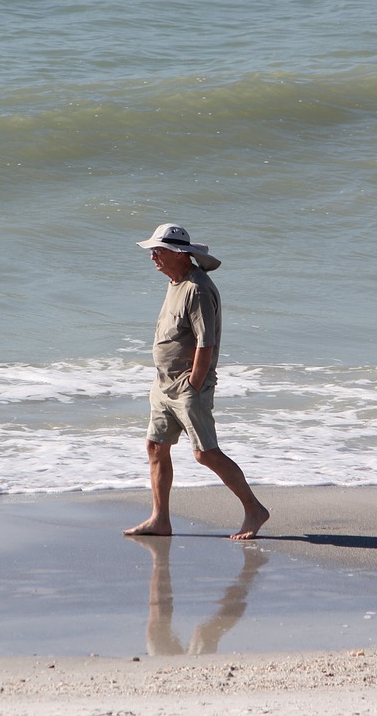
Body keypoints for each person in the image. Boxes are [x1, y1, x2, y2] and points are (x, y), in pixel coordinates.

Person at [123, 223, 270, 540]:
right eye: (153, 251)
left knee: (205, 453)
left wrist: (194, 383)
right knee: (155, 447)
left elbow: (206, 343)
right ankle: (160, 519)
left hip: (188, 387)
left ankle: (254, 509)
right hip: (163, 385)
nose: (153, 258)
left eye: (158, 251)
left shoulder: (198, 288)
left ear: (179, 254)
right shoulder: (175, 282)